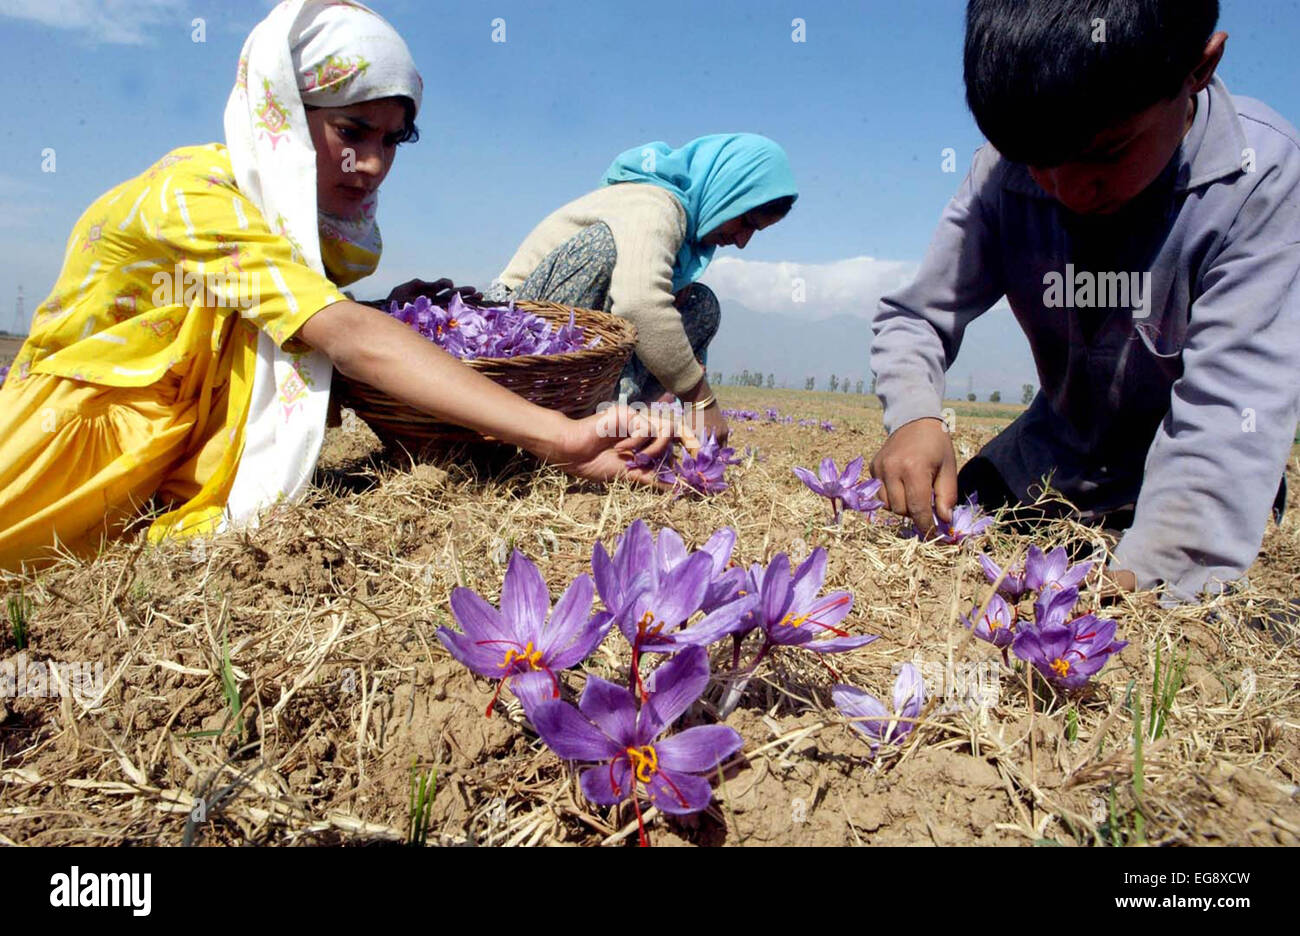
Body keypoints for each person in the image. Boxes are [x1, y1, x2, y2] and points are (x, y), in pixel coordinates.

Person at [0, 0, 668, 574]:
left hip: (162, 448)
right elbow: (339, 333)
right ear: (284, 113)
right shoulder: (194, 196)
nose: (373, 163)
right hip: (70, 459)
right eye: (351, 131)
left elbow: (304, 310)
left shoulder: (292, 221)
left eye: (393, 138)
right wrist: (556, 435)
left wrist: (400, 303)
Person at [869, 0, 1300, 603]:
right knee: (948, 533)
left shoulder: (1260, 179)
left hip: (1187, 468)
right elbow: (917, 317)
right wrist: (915, 415)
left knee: (1163, 597)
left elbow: (1231, 408)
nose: (1069, 190)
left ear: (1197, 70)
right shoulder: (1003, 172)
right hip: (1054, 451)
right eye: (1038, 164)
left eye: (1106, 154)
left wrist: (1152, 579)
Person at [485, 134, 798, 443]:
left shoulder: (682, 230)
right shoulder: (654, 205)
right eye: (746, 222)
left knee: (700, 303)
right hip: (511, 331)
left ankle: (622, 421)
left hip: (570, 342)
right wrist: (701, 399)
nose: (742, 241)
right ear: (727, 193)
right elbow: (638, 304)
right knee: (608, 252)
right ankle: (536, 417)